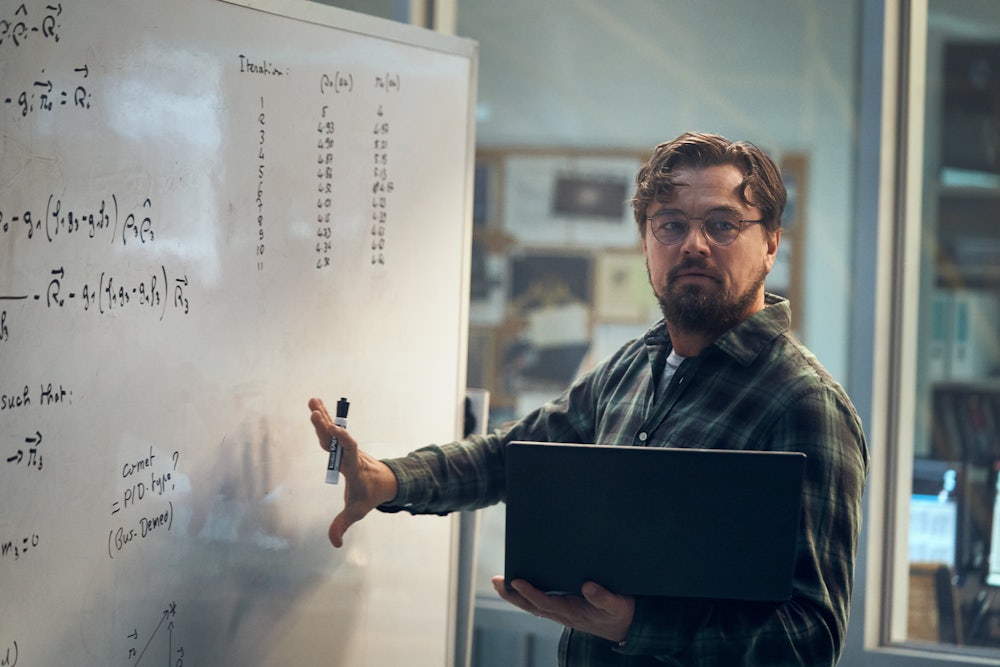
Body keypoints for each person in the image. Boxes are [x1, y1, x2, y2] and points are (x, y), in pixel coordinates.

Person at [309, 131, 869, 666]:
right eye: (670, 225)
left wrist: (634, 626)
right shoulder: (634, 367)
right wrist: (390, 479)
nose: (693, 244)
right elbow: (514, 457)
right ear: (647, 243)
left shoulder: (804, 404)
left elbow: (809, 642)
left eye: (722, 225)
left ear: (771, 243)